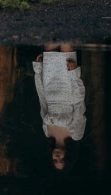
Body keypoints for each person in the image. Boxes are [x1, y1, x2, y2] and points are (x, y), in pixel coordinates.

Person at [33, 44, 86, 174]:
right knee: (66, 42)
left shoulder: (47, 132)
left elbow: (42, 101)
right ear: (68, 156)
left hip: (49, 84)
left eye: (55, 161)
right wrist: (74, 75)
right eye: (61, 160)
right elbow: (79, 103)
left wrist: (39, 71)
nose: (57, 157)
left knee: (49, 43)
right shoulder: (76, 134)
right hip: (68, 85)